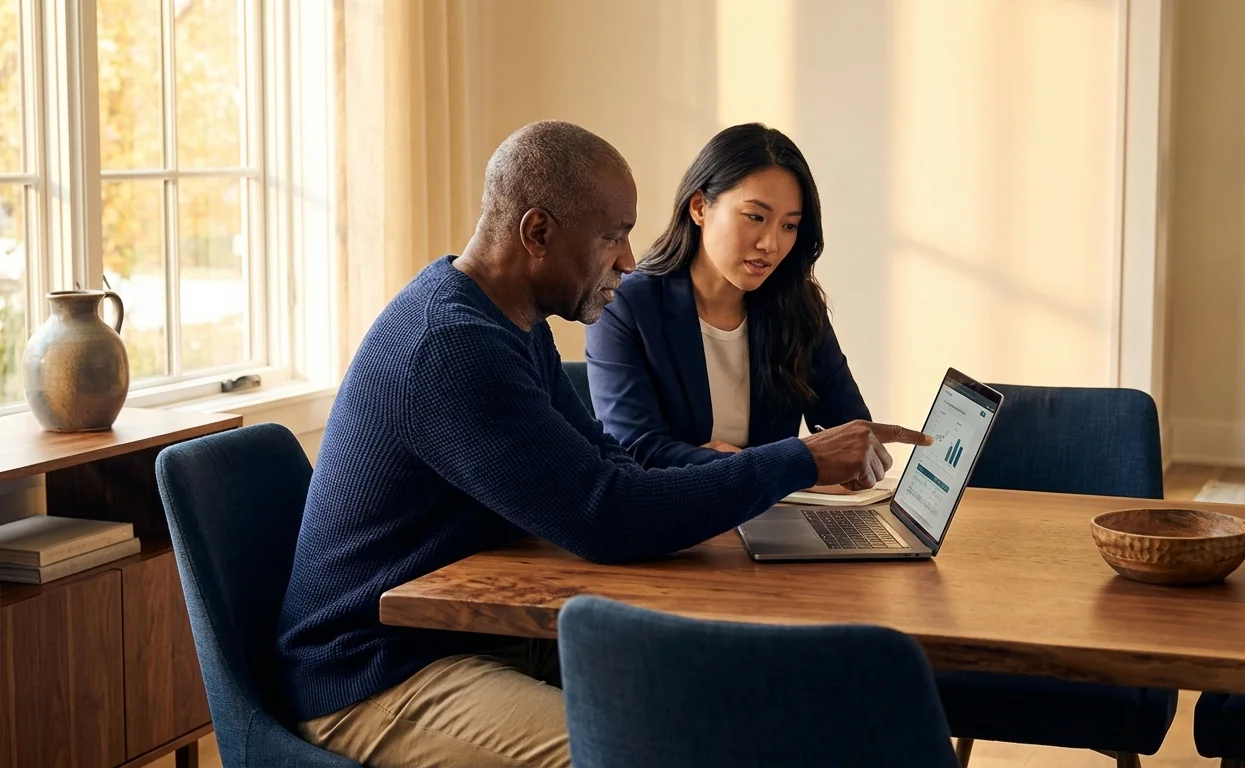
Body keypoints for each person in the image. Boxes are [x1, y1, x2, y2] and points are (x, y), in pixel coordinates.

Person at [274, 120, 930, 768]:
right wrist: (800, 459)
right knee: (651, 753)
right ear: (537, 232)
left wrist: (763, 466)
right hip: (379, 673)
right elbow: (607, 514)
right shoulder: (453, 347)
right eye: (612, 236)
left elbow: (606, 461)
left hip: (474, 636)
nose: (626, 258)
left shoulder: (508, 320)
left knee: (738, 716)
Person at [584, 123, 869, 493]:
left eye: (789, 226)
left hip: (776, 523)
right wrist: (782, 466)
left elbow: (852, 443)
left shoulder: (797, 307)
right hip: (675, 524)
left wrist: (721, 460)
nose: (771, 243)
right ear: (701, 207)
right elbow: (638, 451)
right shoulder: (626, 305)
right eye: (756, 217)